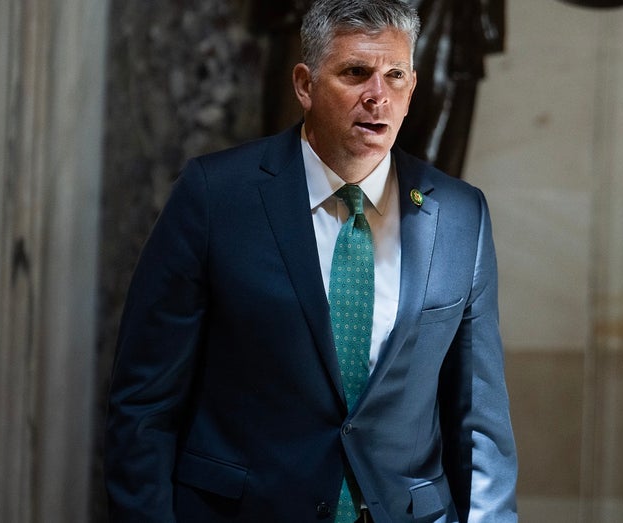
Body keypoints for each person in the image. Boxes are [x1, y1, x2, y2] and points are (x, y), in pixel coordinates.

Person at [103, 0, 518, 521]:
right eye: (355, 73)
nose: (377, 96)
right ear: (304, 85)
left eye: (394, 76)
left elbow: (479, 427)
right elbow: (144, 406)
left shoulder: (460, 216)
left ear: (413, 89)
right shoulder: (215, 197)